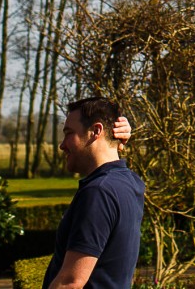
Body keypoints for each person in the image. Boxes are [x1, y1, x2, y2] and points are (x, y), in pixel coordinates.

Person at [43, 97, 145, 289]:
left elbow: (70, 283)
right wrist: (116, 144)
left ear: (96, 131)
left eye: (69, 134)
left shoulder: (99, 192)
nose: (62, 145)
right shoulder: (130, 182)